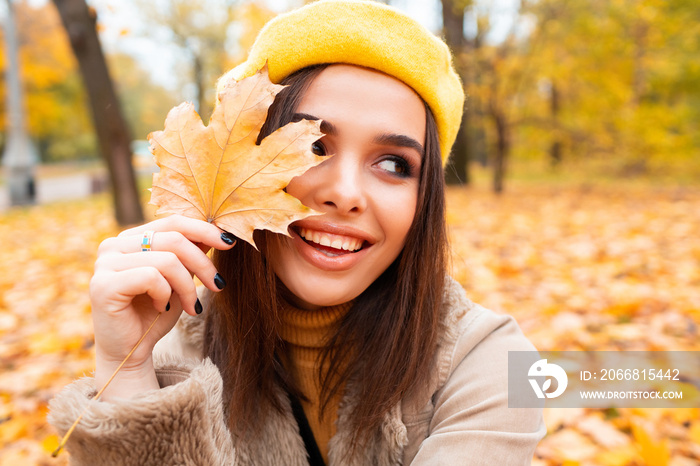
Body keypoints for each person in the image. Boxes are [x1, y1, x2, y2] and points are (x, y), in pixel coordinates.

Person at [49, 1, 545, 464]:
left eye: (394, 163)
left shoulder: (500, 366)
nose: (345, 193)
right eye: (310, 146)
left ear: (425, 201)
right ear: (246, 166)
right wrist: (129, 373)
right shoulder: (173, 356)